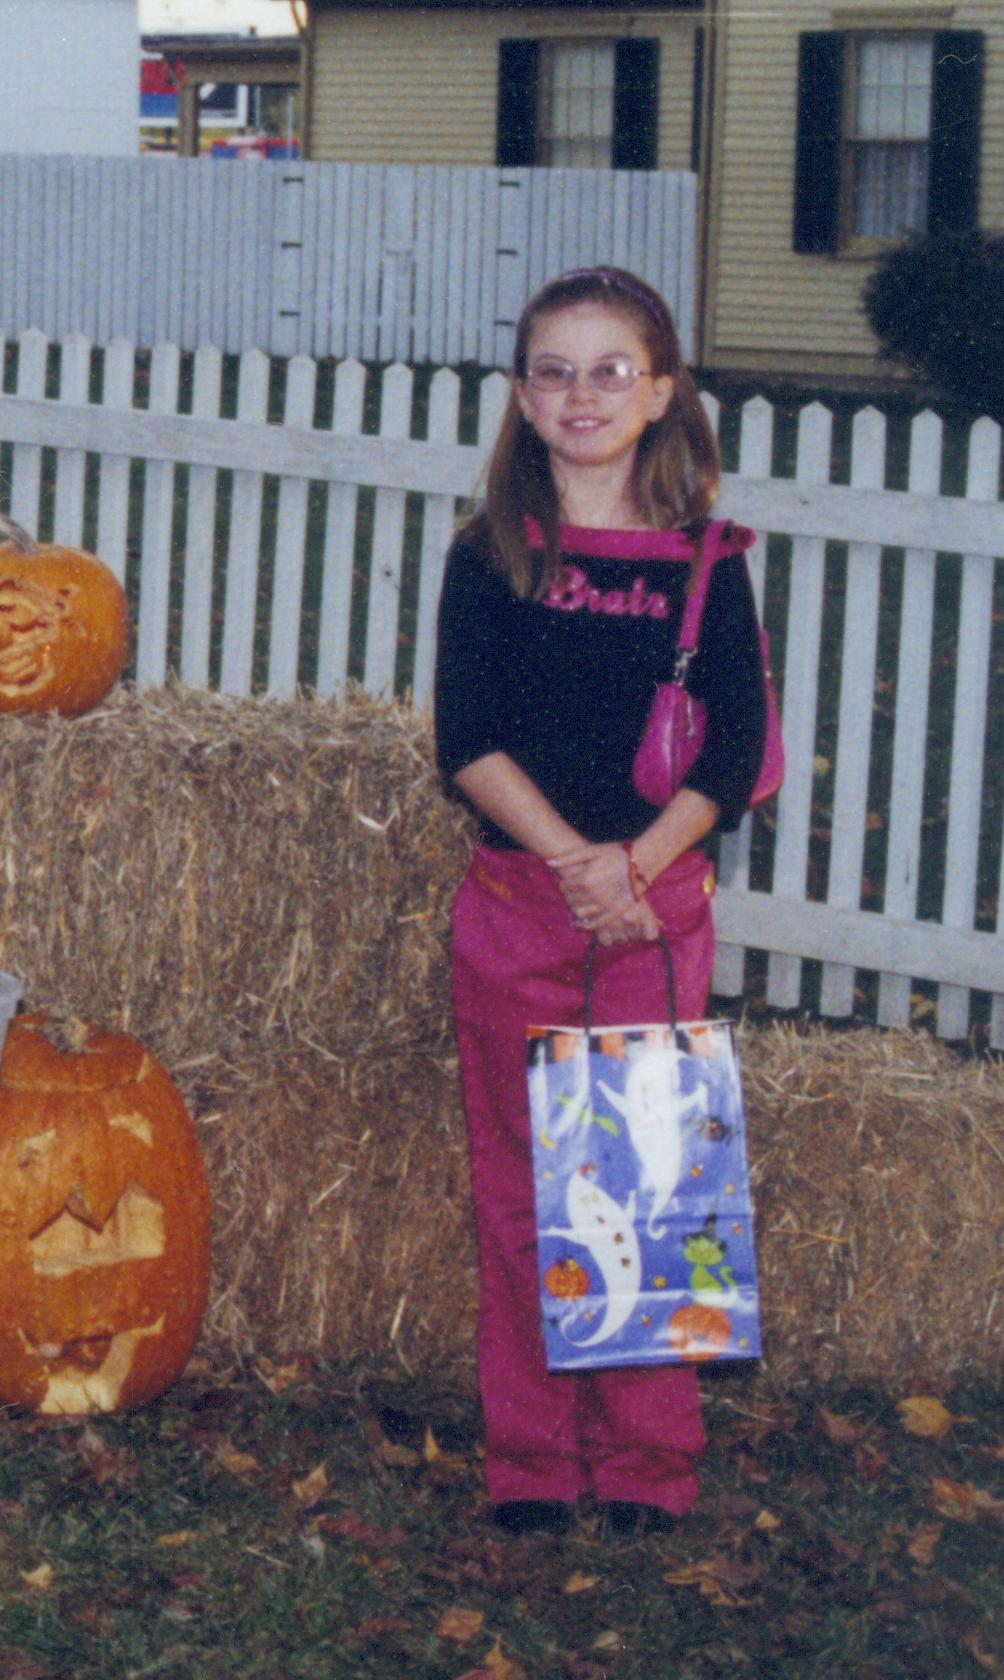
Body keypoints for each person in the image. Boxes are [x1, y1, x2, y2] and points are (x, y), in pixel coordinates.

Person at [431, 264, 766, 1537]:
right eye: (554, 371)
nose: (581, 395)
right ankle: (529, 1458)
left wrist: (636, 869)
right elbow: (468, 736)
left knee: (642, 1189)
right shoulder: (489, 557)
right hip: (521, 903)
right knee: (521, 1192)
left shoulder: (704, 564)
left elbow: (732, 752)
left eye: (610, 370)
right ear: (522, 394)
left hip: (653, 914)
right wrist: (579, 861)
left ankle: (642, 1466)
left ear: (661, 392)